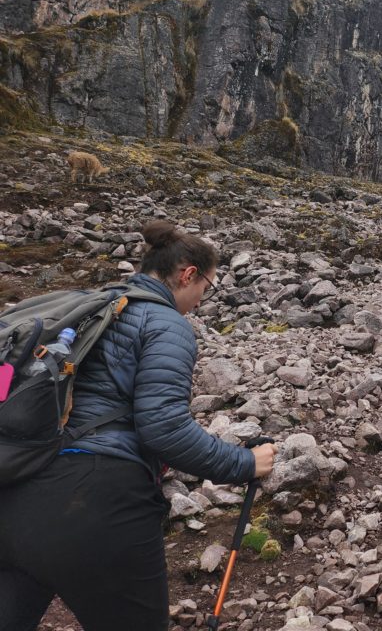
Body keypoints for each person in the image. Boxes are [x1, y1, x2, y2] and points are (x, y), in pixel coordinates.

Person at [0, 220, 278, 631]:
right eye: (206, 288)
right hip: (96, 504)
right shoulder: (166, 325)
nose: (202, 301)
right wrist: (244, 463)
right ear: (188, 274)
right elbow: (163, 428)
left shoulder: (91, 307)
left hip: (15, 497)